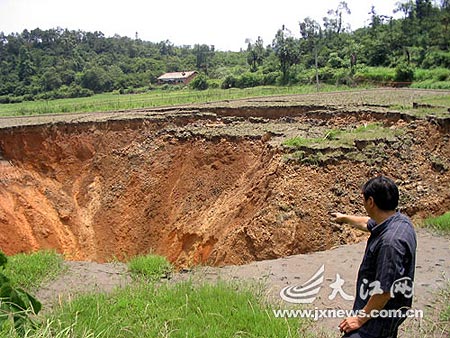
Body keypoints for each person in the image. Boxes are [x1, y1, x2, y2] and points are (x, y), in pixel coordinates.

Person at [332, 175, 417, 338]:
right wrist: (344, 218)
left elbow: (384, 292)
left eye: (363, 199)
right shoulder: (401, 222)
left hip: (378, 316)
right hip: (390, 312)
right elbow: (367, 223)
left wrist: (359, 319)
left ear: (370, 202)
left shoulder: (390, 243)